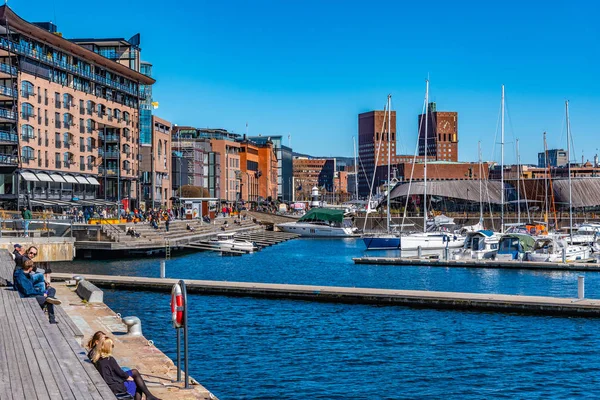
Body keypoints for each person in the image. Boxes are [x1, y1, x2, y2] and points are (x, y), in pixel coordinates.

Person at [92, 338, 161, 400]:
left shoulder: (97, 358)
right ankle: (148, 396)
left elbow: (112, 372)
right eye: (112, 346)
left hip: (109, 382)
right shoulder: (110, 359)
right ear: (108, 348)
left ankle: (149, 396)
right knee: (137, 382)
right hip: (116, 387)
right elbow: (120, 372)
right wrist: (128, 377)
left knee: (134, 372)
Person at [13, 259, 61, 323]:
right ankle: (52, 319)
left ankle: (49, 296)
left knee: (51, 289)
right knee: (48, 301)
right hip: (28, 297)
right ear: (30, 268)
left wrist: (43, 286)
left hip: (32, 292)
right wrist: (41, 293)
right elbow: (27, 292)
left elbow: (29, 286)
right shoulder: (21, 278)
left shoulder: (25, 273)